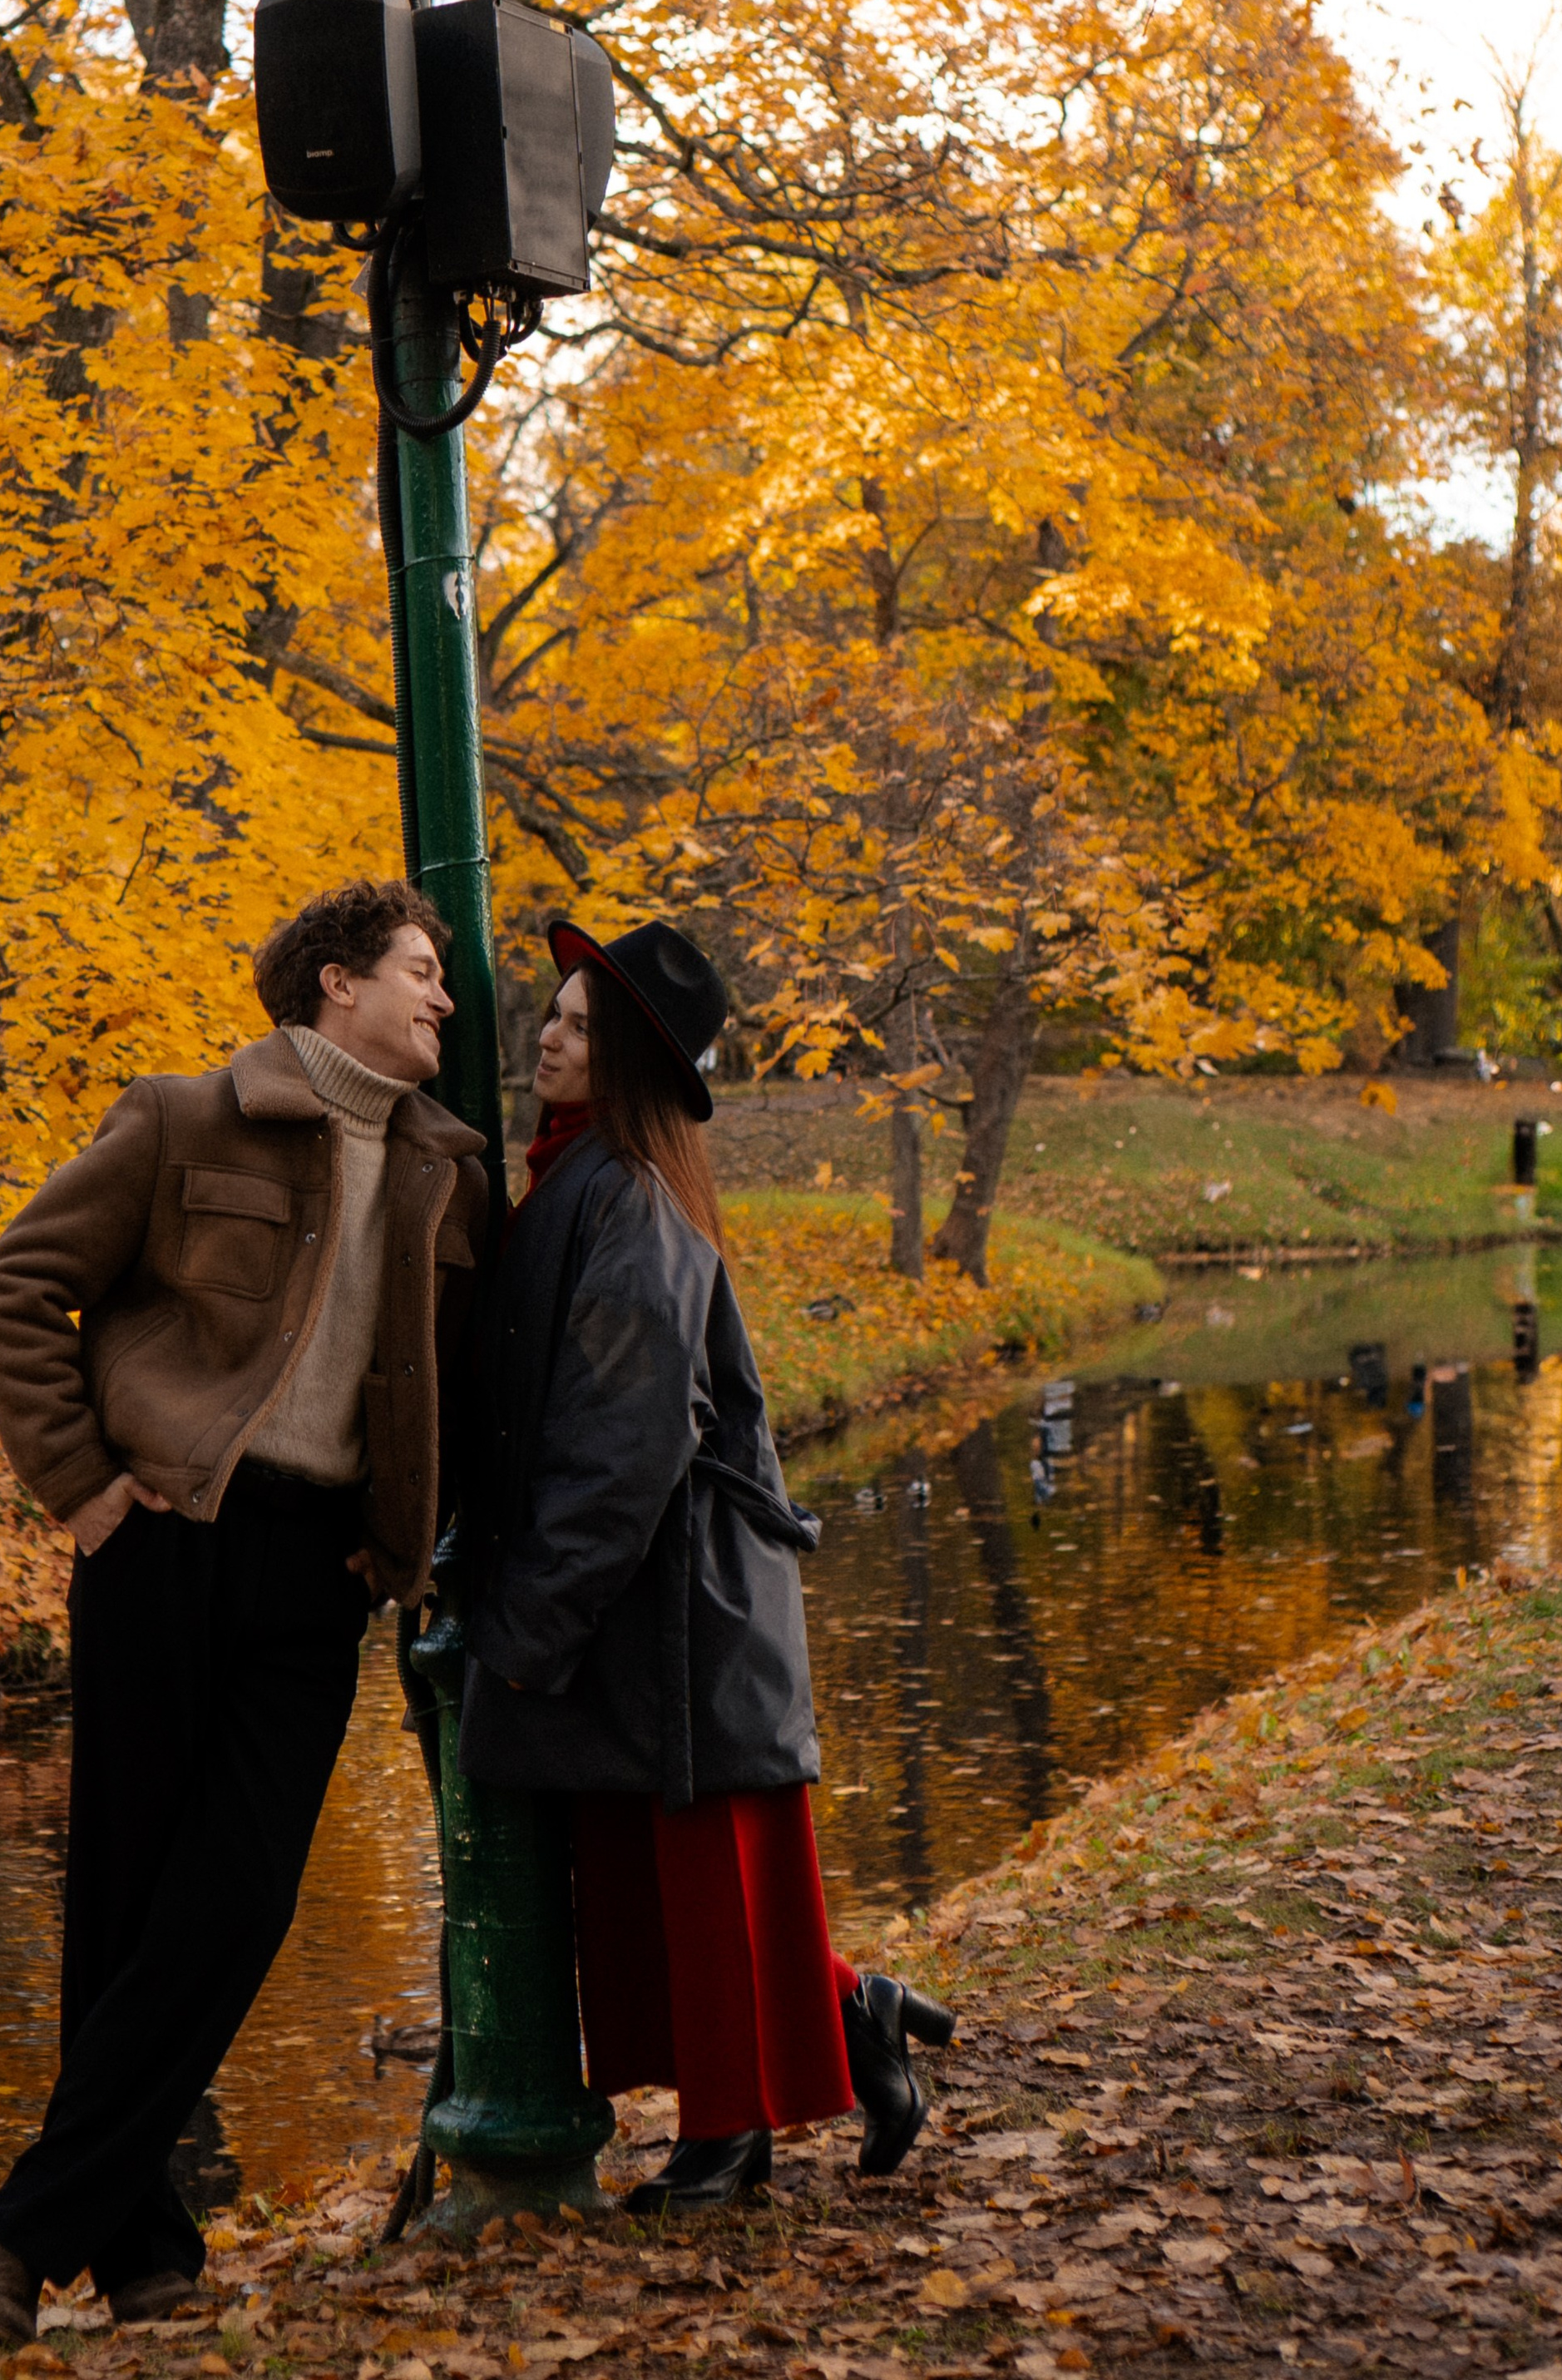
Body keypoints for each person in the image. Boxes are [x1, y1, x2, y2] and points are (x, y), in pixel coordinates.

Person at [0, 878, 489, 2341]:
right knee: (127, 1899)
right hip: (168, 1539)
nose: (446, 1002)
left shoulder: (449, 1169)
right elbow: (17, 1287)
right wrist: (81, 1488)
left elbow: (447, 1385)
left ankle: (23, 2223)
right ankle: (139, 2249)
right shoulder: (188, 1116)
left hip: (320, 1571)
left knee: (239, 1900)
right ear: (334, 984)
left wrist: (402, 1540)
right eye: (423, 973)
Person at [460, 917, 954, 2212]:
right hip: (648, 1602)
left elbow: (624, 1448)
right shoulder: (583, 1177)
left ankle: (731, 2140)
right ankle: (856, 2017)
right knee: (657, 1884)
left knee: (702, 1873)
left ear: (623, 1055)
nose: (546, 1035)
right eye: (553, 1013)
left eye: (574, 1020)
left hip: (681, 1607)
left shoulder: (625, 1198)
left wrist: (526, 1630)